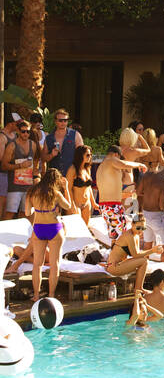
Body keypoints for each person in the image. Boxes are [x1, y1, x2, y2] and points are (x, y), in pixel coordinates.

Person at [29, 167, 74, 302]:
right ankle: (51, 295)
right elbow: (68, 206)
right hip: (54, 228)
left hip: (38, 228)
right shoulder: (56, 194)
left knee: (37, 265)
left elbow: (27, 212)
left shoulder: (33, 192)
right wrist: (66, 188)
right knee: (55, 265)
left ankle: (36, 296)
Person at [95, 144, 140, 242]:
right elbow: (125, 164)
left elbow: (111, 193)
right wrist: (139, 165)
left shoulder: (101, 167)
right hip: (112, 207)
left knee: (115, 237)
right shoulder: (111, 160)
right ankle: (118, 252)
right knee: (121, 238)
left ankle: (114, 251)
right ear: (116, 155)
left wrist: (128, 194)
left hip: (106, 206)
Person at [106, 217, 154, 296]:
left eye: (143, 228)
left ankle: (138, 288)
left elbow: (137, 255)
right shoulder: (129, 236)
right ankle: (138, 289)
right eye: (138, 228)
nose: (140, 231)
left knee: (143, 260)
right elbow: (135, 255)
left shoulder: (136, 235)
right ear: (132, 224)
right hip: (113, 267)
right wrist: (152, 250)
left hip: (118, 264)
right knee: (144, 261)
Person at [2, 117, 38, 219]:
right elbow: (4, 165)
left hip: (28, 186)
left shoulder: (33, 145)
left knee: (25, 213)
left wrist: (35, 178)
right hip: (14, 187)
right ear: (18, 131)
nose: (26, 134)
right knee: (10, 213)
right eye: (23, 131)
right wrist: (20, 166)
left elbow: (35, 163)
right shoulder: (12, 146)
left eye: (28, 131)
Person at [42, 109, 83, 176]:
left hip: (72, 174)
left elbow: (82, 154)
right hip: (55, 175)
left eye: (65, 120)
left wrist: (79, 171)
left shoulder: (75, 135)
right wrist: (51, 155)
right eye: (60, 120)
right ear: (55, 121)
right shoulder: (49, 138)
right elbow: (43, 158)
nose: (63, 122)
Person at [66, 145, 97, 225]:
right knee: (76, 229)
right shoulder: (72, 169)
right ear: (80, 155)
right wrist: (72, 205)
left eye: (91, 155)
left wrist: (93, 203)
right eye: (87, 155)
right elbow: (68, 189)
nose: (90, 157)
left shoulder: (87, 168)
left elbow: (89, 187)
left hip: (87, 203)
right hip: (76, 203)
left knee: (86, 229)